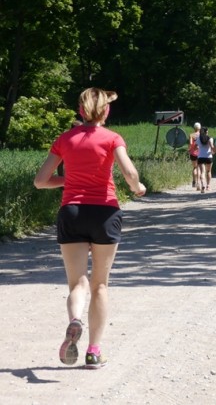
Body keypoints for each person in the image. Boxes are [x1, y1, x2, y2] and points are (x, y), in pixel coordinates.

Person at [33, 87, 146, 370]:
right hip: (105, 212)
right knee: (100, 284)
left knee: (78, 283)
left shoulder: (65, 139)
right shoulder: (112, 138)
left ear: (80, 111)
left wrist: (70, 182)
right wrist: (138, 187)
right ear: (105, 111)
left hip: (72, 212)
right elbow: (129, 173)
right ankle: (94, 351)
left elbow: (41, 181)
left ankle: (75, 320)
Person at [196, 127, 214, 193]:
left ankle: (203, 185)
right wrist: (213, 151)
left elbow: (196, 146)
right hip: (208, 156)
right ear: (206, 132)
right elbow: (212, 147)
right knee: (208, 171)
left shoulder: (198, 138)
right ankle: (208, 186)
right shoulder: (210, 138)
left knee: (202, 172)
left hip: (200, 157)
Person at [188, 122, 201, 188]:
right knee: (199, 167)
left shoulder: (191, 135)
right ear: (200, 128)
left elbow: (190, 143)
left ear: (194, 128)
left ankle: (194, 181)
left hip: (193, 153)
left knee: (195, 167)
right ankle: (198, 182)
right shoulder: (201, 135)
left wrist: (189, 149)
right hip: (200, 153)